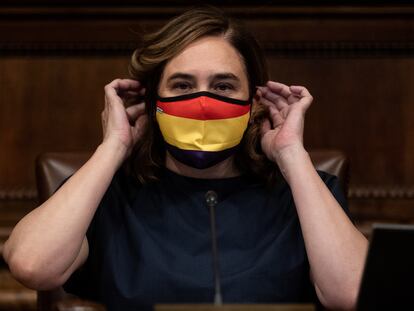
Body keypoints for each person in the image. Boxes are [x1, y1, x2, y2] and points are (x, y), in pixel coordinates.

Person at [3, 6, 368, 311]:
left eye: (224, 86)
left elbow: (353, 294)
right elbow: (31, 265)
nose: (204, 103)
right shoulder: (107, 195)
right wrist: (114, 146)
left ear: (254, 102)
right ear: (152, 101)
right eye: (182, 86)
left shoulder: (305, 193)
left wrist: (292, 155)